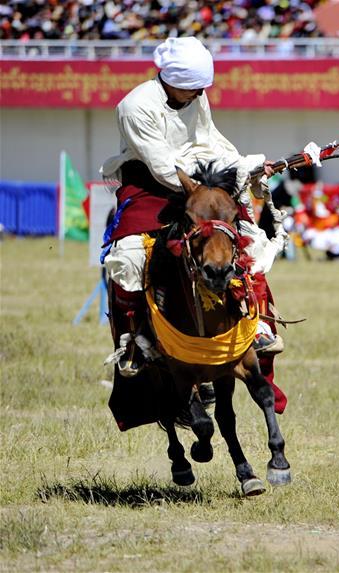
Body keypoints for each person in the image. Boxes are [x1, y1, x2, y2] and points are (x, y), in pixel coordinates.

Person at [99, 37, 296, 378]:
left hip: (201, 178)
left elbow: (211, 140)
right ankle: (134, 339)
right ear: (172, 81)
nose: (200, 94)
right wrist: (212, 185)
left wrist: (244, 165)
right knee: (130, 254)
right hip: (150, 183)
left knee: (248, 236)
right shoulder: (134, 107)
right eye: (194, 88)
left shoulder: (196, 95)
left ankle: (260, 323)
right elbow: (162, 168)